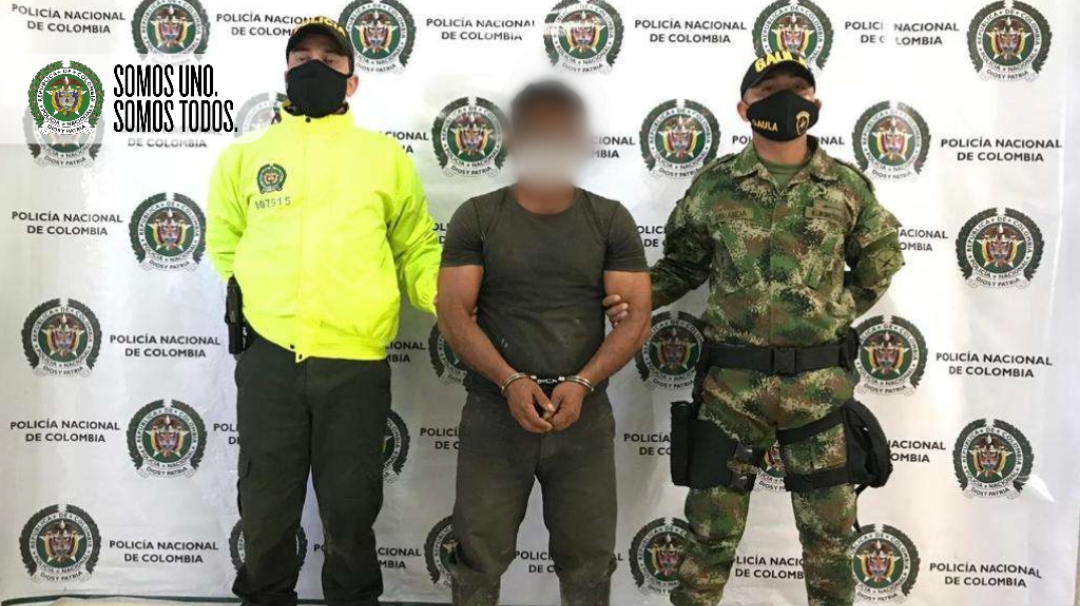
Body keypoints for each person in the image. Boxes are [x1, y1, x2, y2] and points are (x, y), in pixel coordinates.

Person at [605, 50, 904, 606]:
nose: (784, 98)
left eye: (797, 88)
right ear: (744, 109)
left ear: (815, 103)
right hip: (731, 392)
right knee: (709, 536)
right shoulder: (716, 186)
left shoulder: (845, 186)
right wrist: (632, 297)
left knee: (830, 540)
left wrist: (832, 311)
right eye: (768, 91)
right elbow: (682, 266)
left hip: (817, 392)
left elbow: (879, 263)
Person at [205, 16, 441, 606]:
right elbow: (227, 242)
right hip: (270, 361)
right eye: (302, 58)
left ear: (352, 81)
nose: (315, 67)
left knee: (351, 513)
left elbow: (415, 246)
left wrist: (450, 300)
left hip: (354, 364)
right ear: (286, 72)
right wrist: (261, 298)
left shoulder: (384, 159)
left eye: (330, 60)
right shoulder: (244, 159)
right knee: (265, 510)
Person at [436, 81, 652, 606]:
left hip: (583, 418)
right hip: (494, 414)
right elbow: (453, 312)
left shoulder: (609, 219)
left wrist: (583, 383)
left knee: (588, 562)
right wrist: (508, 380)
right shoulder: (478, 217)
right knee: (477, 558)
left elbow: (635, 317)